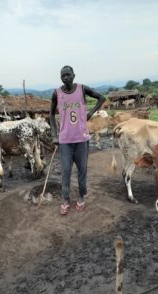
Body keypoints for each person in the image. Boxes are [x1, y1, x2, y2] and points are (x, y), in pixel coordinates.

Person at [50, 65, 105, 215]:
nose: (66, 77)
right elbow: (51, 114)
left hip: (81, 139)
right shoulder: (57, 93)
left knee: (82, 171)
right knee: (66, 171)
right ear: (61, 78)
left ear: (74, 75)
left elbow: (101, 98)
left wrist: (90, 113)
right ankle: (66, 199)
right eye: (63, 75)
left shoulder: (82, 89)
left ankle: (81, 197)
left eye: (68, 75)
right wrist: (54, 135)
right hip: (65, 141)